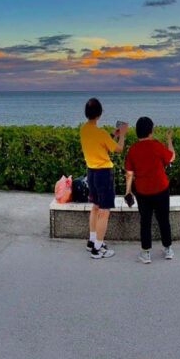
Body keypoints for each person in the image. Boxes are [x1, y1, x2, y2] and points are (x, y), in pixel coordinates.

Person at [78, 98, 129, 259]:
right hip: (104, 174)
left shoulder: (84, 130)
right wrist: (123, 136)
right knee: (104, 212)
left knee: (95, 207)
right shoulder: (100, 134)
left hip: (91, 173)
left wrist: (113, 135)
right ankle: (98, 249)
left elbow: (101, 144)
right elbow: (119, 149)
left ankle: (92, 241)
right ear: (99, 115)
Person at [123, 117, 177, 264]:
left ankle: (146, 253)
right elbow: (172, 157)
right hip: (161, 188)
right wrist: (169, 140)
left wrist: (128, 192)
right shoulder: (157, 146)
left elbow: (129, 174)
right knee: (163, 219)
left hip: (143, 191)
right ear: (151, 132)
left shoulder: (133, 149)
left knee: (145, 221)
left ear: (137, 132)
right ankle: (168, 250)